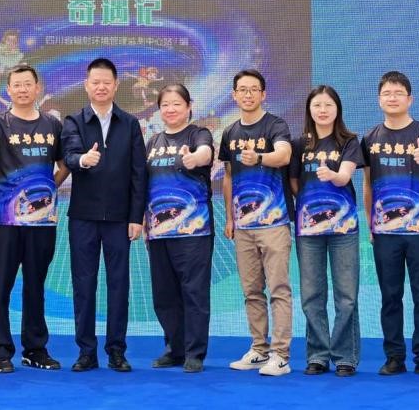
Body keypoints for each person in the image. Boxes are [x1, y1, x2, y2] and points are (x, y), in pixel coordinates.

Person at [0, 63, 68, 374]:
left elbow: (65, 163)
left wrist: (50, 187)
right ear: (8, 90)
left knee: (35, 285)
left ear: (38, 88)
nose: (23, 89)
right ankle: (0, 351)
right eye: (17, 85)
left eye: (28, 84)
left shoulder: (52, 125)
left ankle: (35, 349)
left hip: (41, 221)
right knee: (1, 286)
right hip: (4, 220)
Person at [61, 57, 146, 373]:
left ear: (116, 85)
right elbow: (69, 155)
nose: (100, 87)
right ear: (86, 85)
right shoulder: (74, 121)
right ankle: (86, 351)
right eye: (95, 82)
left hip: (120, 218)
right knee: (83, 285)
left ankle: (117, 351)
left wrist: (136, 216)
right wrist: (84, 159)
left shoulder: (130, 123)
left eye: (106, 82)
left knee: (119, 285)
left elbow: (138, 173)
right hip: (83, 216)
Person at [361, 70, 419, 378]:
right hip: (385, 233)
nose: (392, 98)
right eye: (387, 93)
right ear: (379, 99)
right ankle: (394, 356)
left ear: (410, 99)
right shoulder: (370, 138)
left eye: (398, 93)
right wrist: (371, 223)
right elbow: (367, 184)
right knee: (390, 296)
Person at [218, 69, 293, 377]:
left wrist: (260, 157)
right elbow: (228, 176)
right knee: (251, 291)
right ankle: (259, 349)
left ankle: (281, 355)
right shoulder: (230, 132)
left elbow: (284, 155)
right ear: (234, 95)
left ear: (263, 94)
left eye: (253, 89)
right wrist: (230, 217)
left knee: (279, 289)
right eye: (242, 90)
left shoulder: (275, 125)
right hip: (243, 227)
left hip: (273, 222)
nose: (247, 95)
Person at [288, 85, 363, 377]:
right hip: (308, 229)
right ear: (309, 110)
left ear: (337, 109)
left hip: (344, 228)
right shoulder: (299, 144)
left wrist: (332, 175)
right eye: (317, 105)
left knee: (346, 295)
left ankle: (346, 356)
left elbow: (344, 176)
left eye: (328, 105)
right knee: (311, 294)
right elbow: (294, 182)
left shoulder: (349, 141)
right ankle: (318, 355)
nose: (322, 110)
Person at [143, 83, 214, 373]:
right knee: (165, 294)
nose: (170, 109)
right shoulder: (152, 142)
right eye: (165, 105)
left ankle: (194, 353)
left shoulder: (198, 134)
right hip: (158, 231)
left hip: (193, 229)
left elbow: (205, 153)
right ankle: (174, 348)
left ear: (188, 107)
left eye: (176, 104)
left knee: (194, 291)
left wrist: (195, 157)